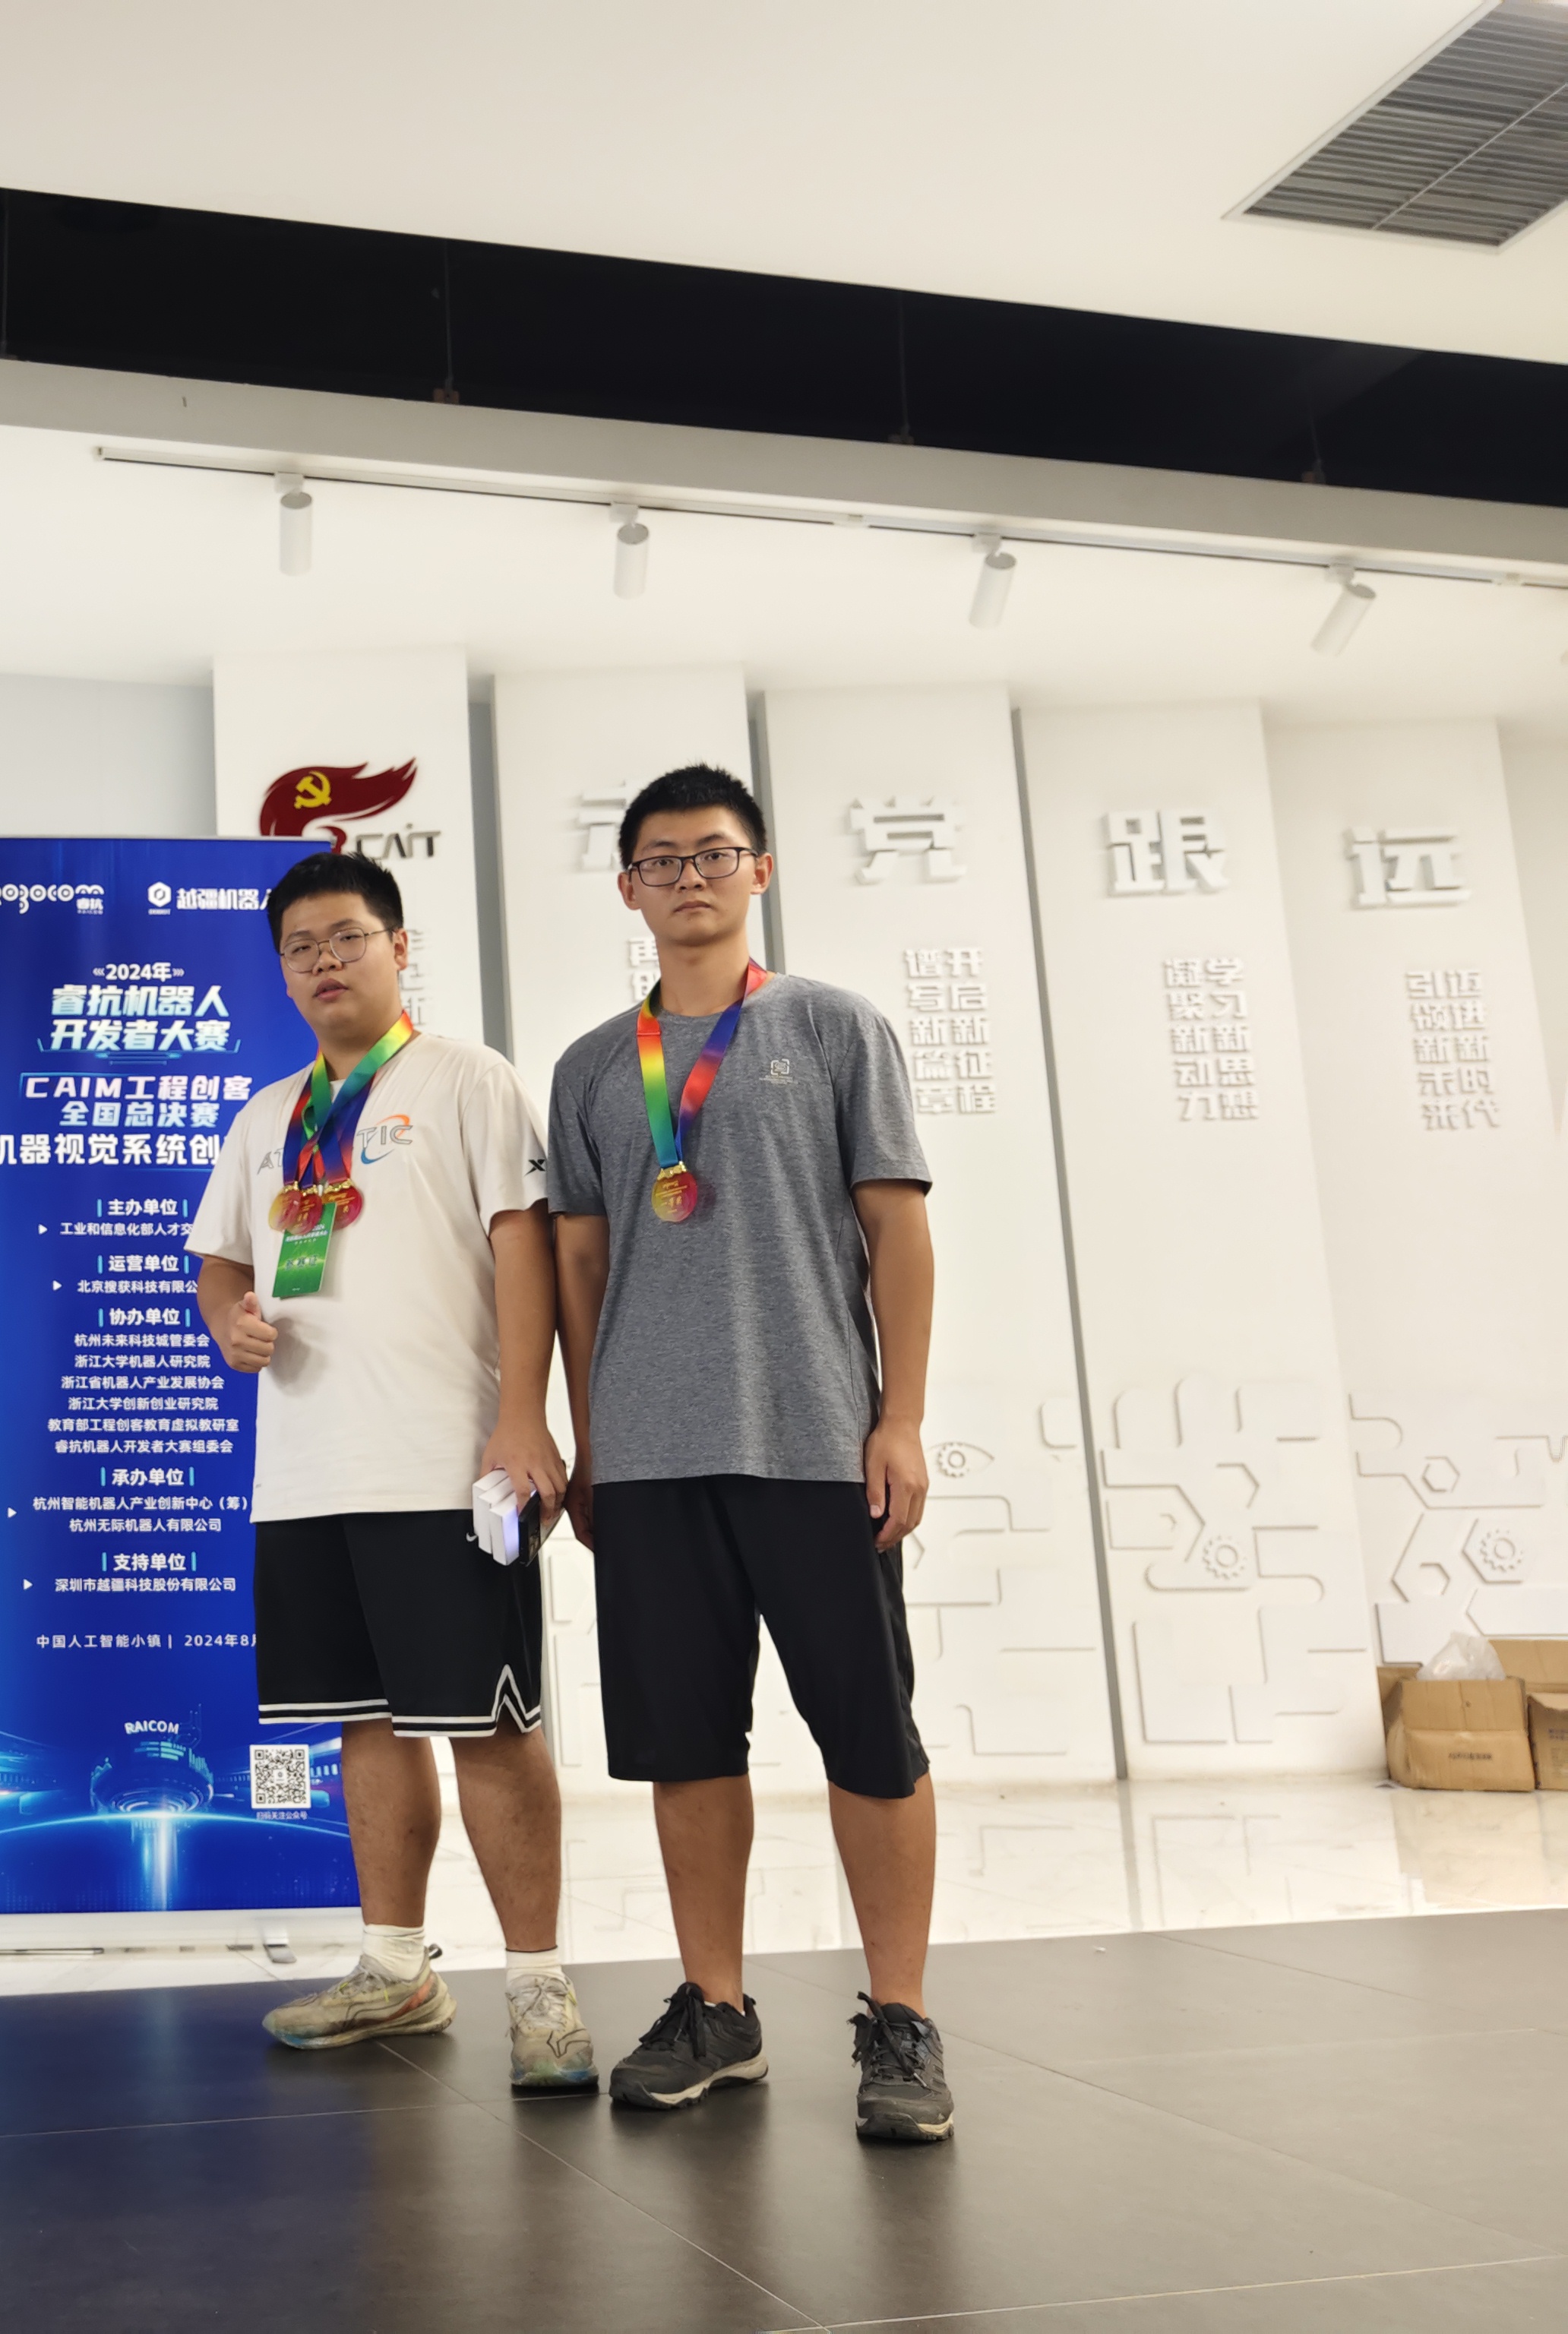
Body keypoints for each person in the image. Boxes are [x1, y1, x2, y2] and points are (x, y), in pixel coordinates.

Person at [545, 764, 950, 2144]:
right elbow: (580, 1264)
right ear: (628, 889)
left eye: (713, 854)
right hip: (650, 1463)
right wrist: (591, 1442)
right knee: (686, 1744)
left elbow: (897, 1231)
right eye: (661, 860)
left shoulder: (835, 1027)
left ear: (760, 870)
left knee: (872, 1739)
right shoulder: (592, 1068)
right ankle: (717, 2009)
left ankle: (901, 2018)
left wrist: (899, 1417)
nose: (689, 878)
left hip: (816, 1443)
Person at [188, 849, 593, 2092]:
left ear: (400, 947)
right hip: (307, 1474)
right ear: (281, 972)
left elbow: (523, 1245)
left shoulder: (468, 1080)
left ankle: (540, 1987)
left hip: (447, 1466)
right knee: (365, 1722)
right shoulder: (266, 1116)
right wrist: (228, 1321)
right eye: (301, 947)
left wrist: (523, 1418)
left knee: (492, 1724)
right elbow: (221, 1259)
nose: (325, 962)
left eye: (347, 938)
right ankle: (395, 1968)